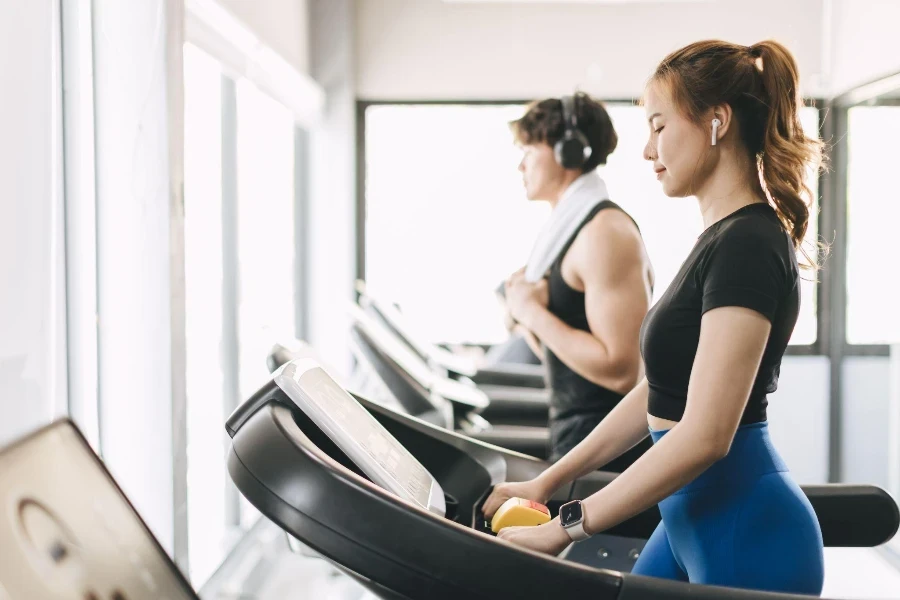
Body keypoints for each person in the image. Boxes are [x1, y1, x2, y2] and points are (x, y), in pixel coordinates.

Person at [483, 39, 826, 595]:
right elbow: (659, 392)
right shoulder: (718, 238)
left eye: (659, 126)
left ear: (717, 123)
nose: (648, 150)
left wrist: (568, 526)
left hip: (747, 533)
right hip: (690, 521)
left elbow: (708, 435)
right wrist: (550, 480)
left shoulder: (750, 243)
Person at [501, 92, 655, 466]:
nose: (520, 166)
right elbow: (569, 361)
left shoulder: (604, 234)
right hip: (575, 439)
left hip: (607, 454)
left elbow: (621, 371)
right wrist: (524, 320)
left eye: (529, 150)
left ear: (568, 152)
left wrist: (532, 313)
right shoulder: (565, 232)